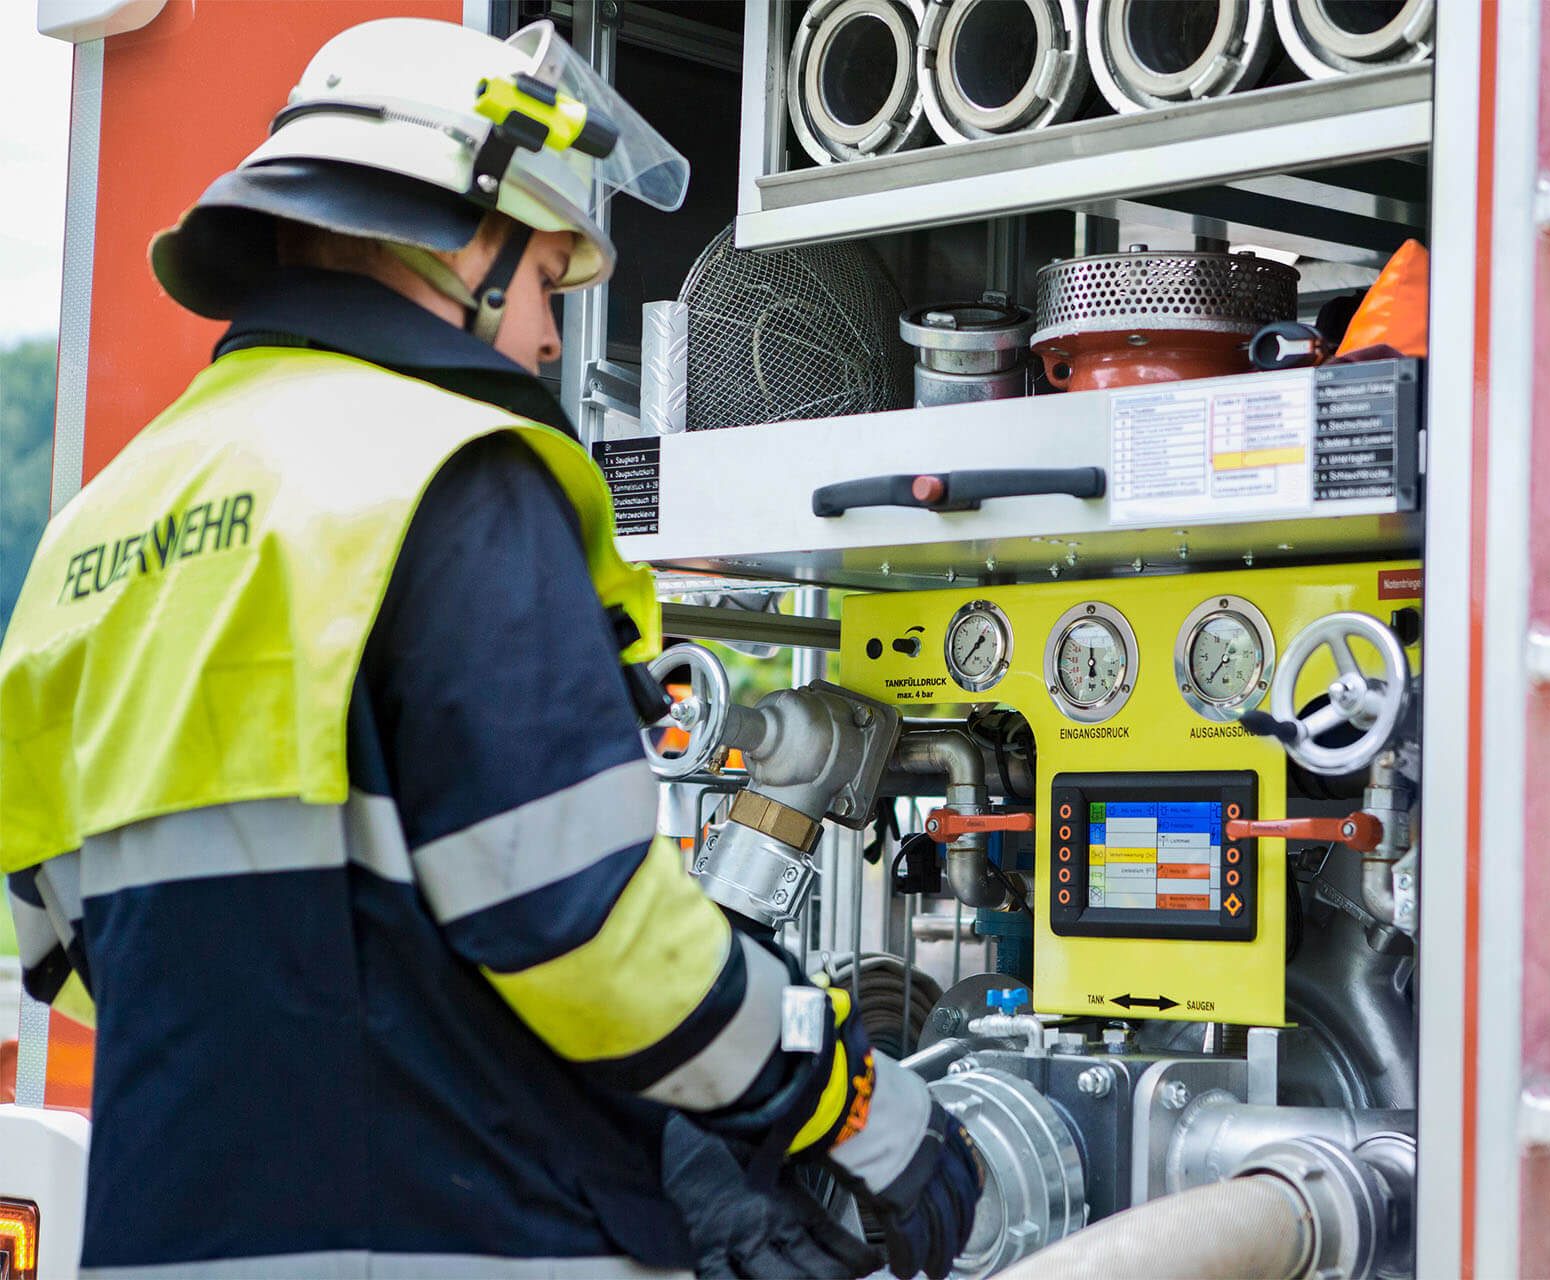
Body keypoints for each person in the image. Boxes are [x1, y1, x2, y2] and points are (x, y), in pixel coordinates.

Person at [0, 17, 980, 1279]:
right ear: (465, 240)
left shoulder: (96, 526)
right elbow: (582, 920)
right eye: (547, 280)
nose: (554, 338)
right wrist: (858, 1104)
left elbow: (70, 955)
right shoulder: (449, 477)